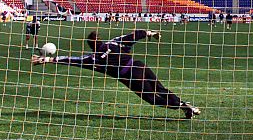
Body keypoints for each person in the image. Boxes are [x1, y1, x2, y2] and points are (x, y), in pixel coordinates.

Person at [31, 29, 200, 119]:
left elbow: (72, 60)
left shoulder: (94, 58)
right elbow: (133, 35)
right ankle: (185, 105)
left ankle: (182, 105)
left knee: (152, 98)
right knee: (161, 89)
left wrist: (46, 60)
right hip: (140, 66)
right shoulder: (113, 43)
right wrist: (150, 33)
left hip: (131, 77)